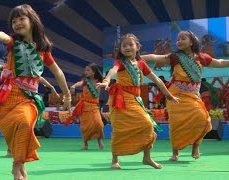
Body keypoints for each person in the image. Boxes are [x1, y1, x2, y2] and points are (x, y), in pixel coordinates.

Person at [0, 4, 71, 180]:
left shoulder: (43, 50)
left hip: (29, 99)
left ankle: (16, 166)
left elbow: (58, 72)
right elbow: (4, 37)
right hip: (7, 97)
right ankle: (21, 164)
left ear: (32, 21)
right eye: (14, 21)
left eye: (21, 19)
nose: (17, 23)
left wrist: (67, 95)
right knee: (13, 132)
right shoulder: (14, 43)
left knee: (25, 123)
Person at [142, 30, 229, 161]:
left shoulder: (202, 57)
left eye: (183, 38)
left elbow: (220, 62)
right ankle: (175, 152)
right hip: (175, 96)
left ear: (192, 41)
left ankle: (196, 145)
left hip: (193, 97)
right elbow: (155, 57)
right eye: (178, 39)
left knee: (203, 119)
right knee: (176, 124)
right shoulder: (175, 57)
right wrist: (137, 58)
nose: (179, 41)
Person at [96, 33, 179, 169]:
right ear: (120, 49)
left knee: (147, 125)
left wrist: (168, 95)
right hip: (121, 99)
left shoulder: (141, 63)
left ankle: (147, 158)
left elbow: (156, 79)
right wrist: (106, 81)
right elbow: (113, 70)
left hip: (135, 100)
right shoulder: (120, 62)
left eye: (130, 44)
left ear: (137, 47)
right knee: (119, 128)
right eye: (124, 45)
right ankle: (115, 160)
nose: (127, 47)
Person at [64, 63, 105, 150]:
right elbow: (79, 83)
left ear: (93, 72)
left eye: (88, 70)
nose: (85, 72)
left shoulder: (100, 82)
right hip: (84, 106)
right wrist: (74, 86)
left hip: (94, 106)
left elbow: (106, 84)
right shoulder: (85, 81)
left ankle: (99, 141)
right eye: (85, 70)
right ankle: (85, 144)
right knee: (84, 126)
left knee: (99, 124)